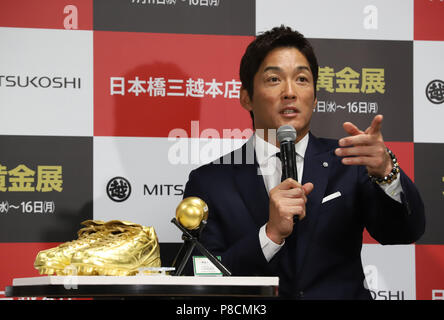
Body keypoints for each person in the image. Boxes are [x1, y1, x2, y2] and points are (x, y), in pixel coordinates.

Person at [183, 26, 425, 299]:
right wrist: (270, 235)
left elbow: (404, 232)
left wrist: (386, 172)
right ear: (246, 97)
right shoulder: (210, 181)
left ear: (315, 97)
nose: (290, 92)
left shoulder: (348, 161)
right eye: (274, 79)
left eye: (301, 79)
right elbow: (200, 276)